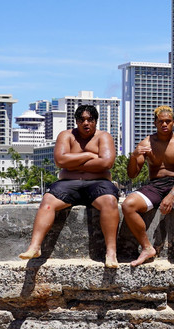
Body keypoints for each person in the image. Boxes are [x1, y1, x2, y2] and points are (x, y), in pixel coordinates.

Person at [20, 105, 121, 267]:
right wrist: (89, 155)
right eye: (81, 120)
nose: (86, 123)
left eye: (90, 120)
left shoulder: (104, 137)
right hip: (68, 185)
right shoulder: (66, 136)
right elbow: (60, 161)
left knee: (110, 202)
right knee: (47, 201)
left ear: (96, 122)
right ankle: (34, 246)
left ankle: (111, 252)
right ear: (76, 121)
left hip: (98, 184)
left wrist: (72, 164)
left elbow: (106, 162)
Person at [120, 106, 174, 266]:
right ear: (155, 123)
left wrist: (172, 195)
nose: (164, 124)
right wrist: (134, 156)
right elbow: (132, 174)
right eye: (160, 122)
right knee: (128, 205)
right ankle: (146, 248)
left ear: (173, 122)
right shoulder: (147, 142)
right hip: (155, 185)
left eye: (167, 121)